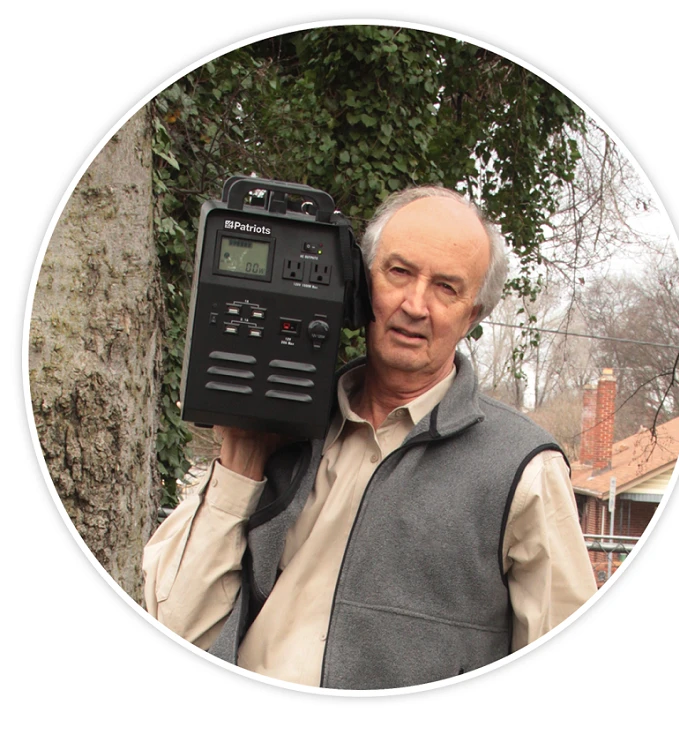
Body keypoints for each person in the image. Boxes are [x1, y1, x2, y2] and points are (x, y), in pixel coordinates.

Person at [143, 185, 597, 690]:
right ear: (362, 284)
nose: (415, 305)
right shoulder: (280, 433)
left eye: (446, 288)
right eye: (398, 272)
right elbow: (176, 629)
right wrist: (242, 460)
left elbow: (562, 679)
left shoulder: (523, 470)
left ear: (472, 315)